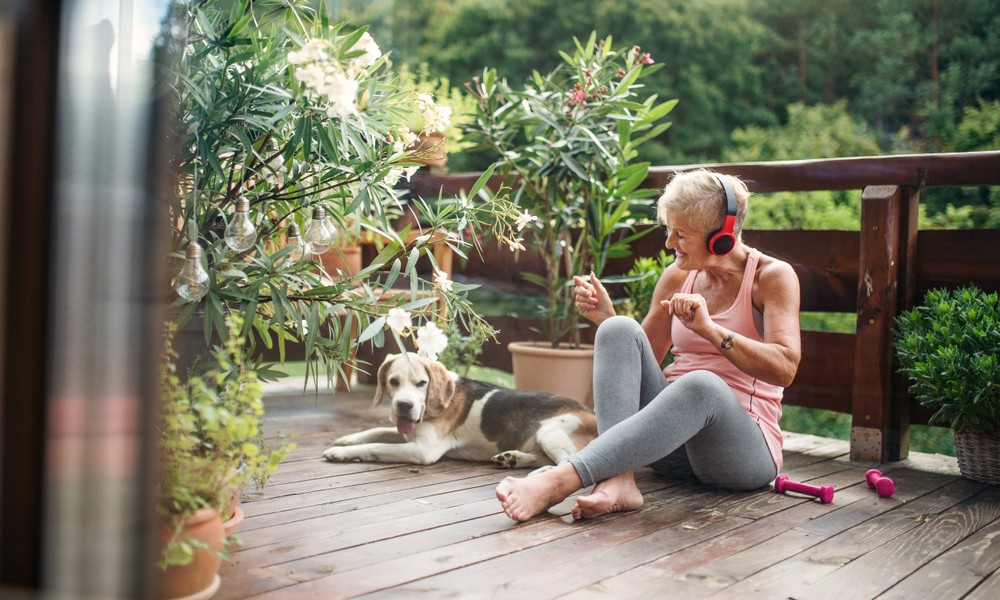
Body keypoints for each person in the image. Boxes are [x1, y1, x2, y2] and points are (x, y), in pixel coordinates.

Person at [496, 169, 801, 522]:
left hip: (739, 454)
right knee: (618, 329)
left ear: (721, 238)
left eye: (681, 234)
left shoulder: (771, 277)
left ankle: (561, 480)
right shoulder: (677, 275)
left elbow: (785, 368)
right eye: (668, 230)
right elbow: (644, 359)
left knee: (701, 385)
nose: (669, 243)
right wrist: (606, 317)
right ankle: (618, 479)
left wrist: (711, 330)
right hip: (668, 445)